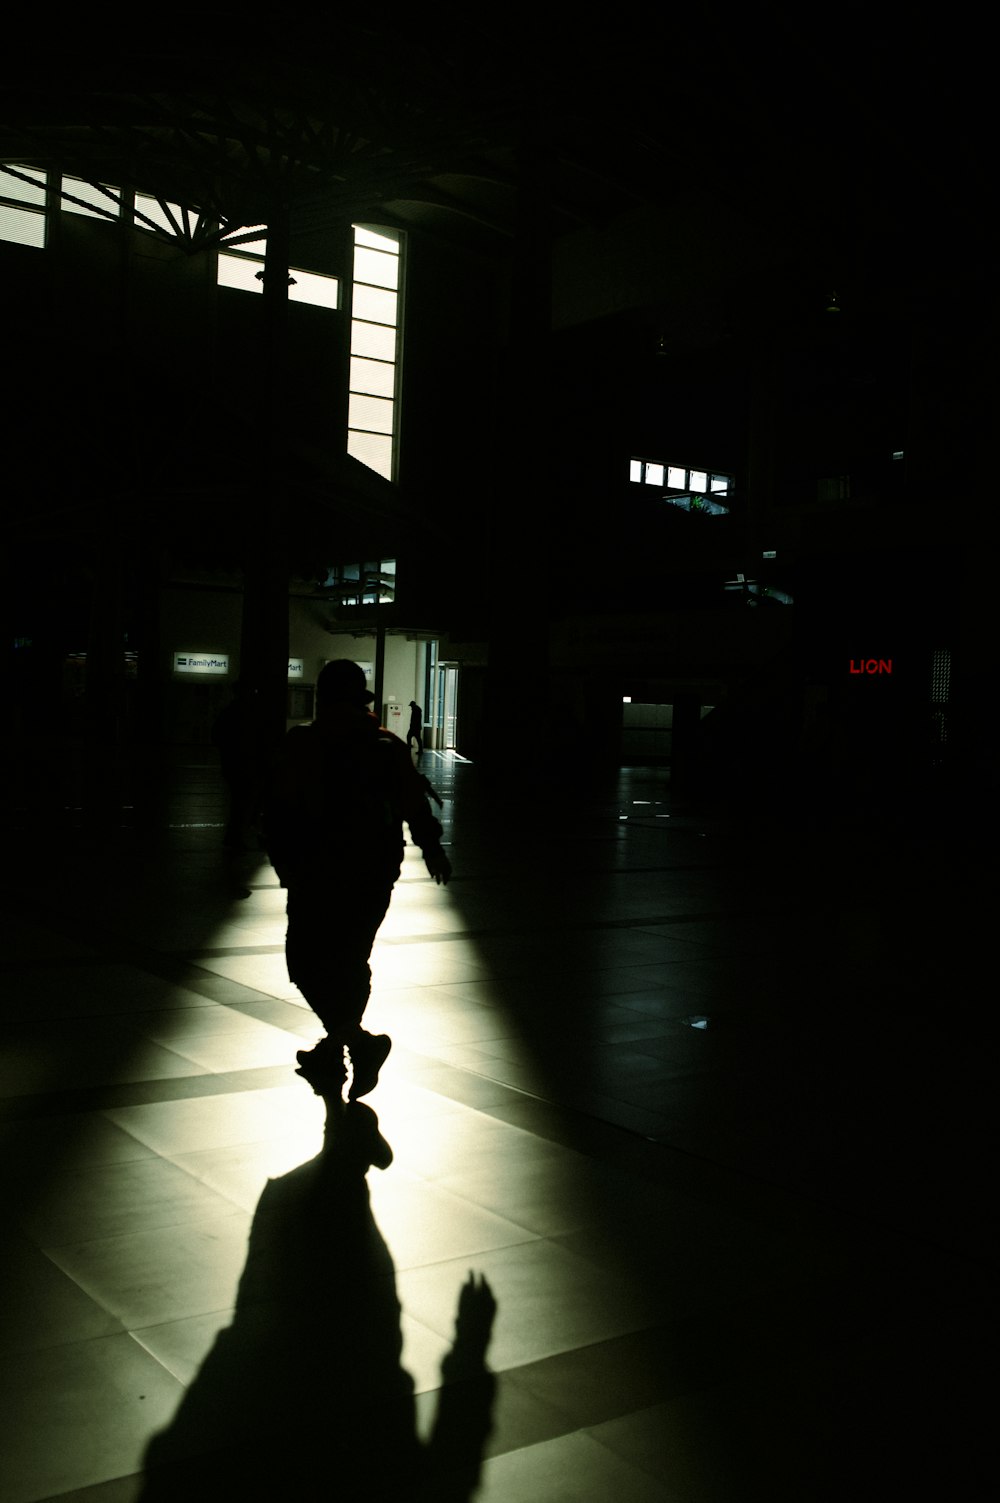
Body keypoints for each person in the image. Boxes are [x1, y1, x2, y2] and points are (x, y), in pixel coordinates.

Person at [265, 660, 451, 1099]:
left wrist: (283, 863)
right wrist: (432, 847)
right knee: (350, 960)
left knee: (308, 960)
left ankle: (355, 1044)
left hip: (317, 871)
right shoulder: (385, 744)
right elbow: (412, 801)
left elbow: (278, 810)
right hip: (374, 870)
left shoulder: (304, 744)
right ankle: (338, 1048)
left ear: (324, 700)